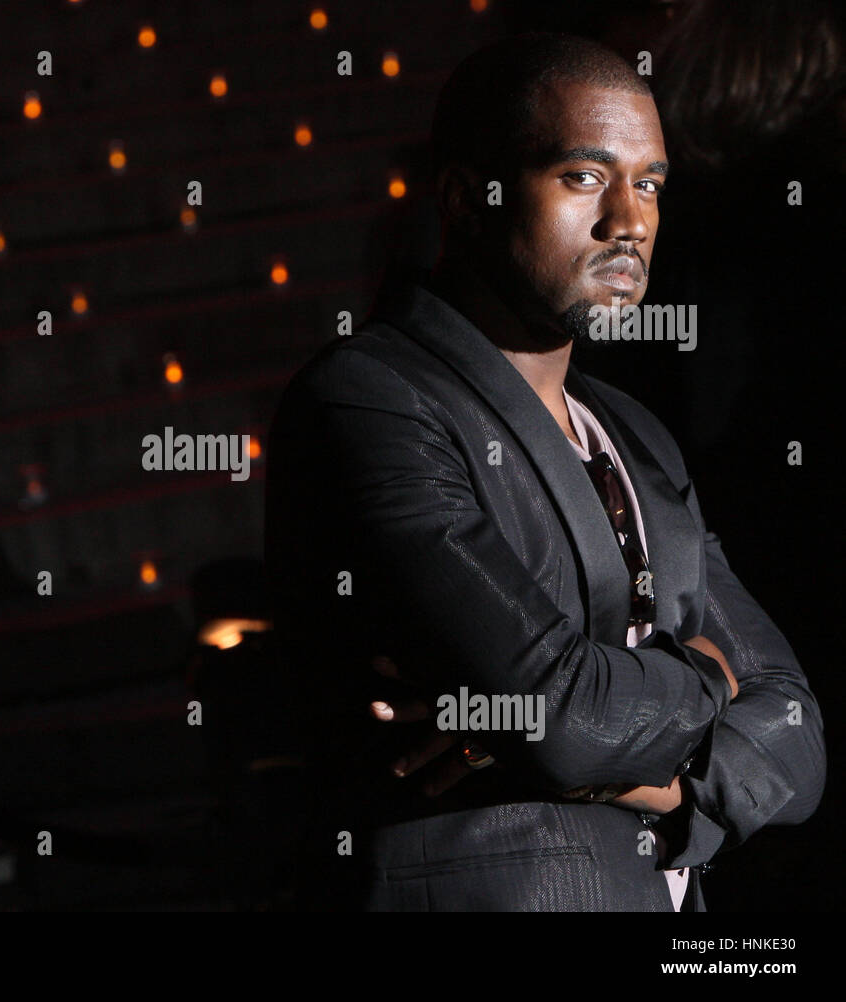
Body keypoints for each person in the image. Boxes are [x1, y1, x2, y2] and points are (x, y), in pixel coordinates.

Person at [263, 32, 825, 911]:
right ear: (465, 196)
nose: (628, 221)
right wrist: (710, 678)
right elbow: (553, 709)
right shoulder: (370, 400)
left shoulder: (634, 434)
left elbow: (796, 727)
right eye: (584, 177)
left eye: (649, 185)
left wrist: (645, 785)